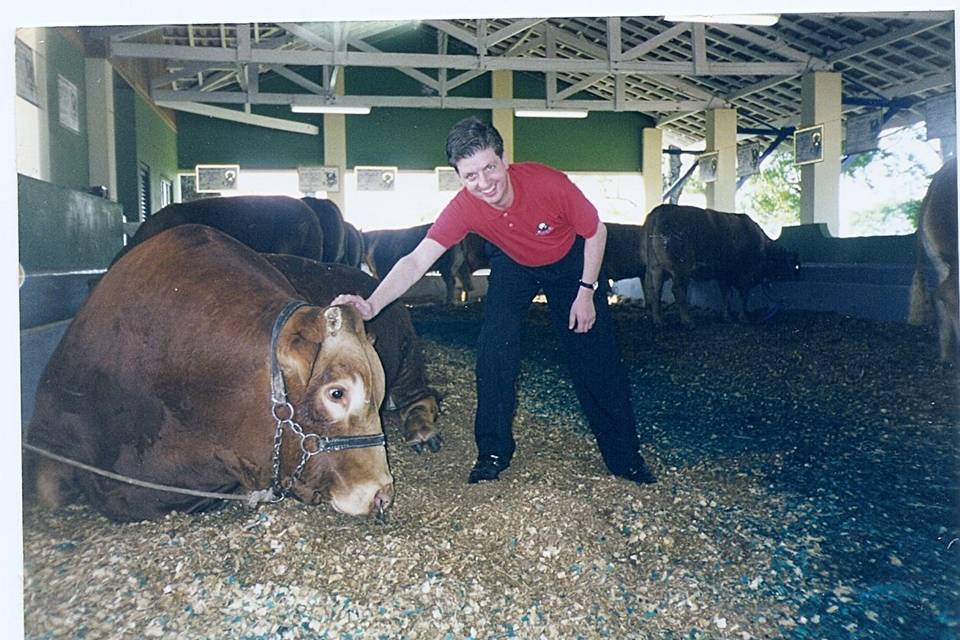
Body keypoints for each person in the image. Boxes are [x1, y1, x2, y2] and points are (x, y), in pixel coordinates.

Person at [333, 116, 656, 486]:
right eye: (471, 176)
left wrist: (586, 291)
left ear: (504, 160)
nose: (484, 183)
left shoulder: (547, 183)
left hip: (571, 261)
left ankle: (626, 459)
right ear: (459, 177)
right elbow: (417, 259)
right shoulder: (464, 207)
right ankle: (492, 454)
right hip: (514, 262)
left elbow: (595, 231)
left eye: (489, 168)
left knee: (593, 355)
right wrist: (372, 305)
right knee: (493, 351)